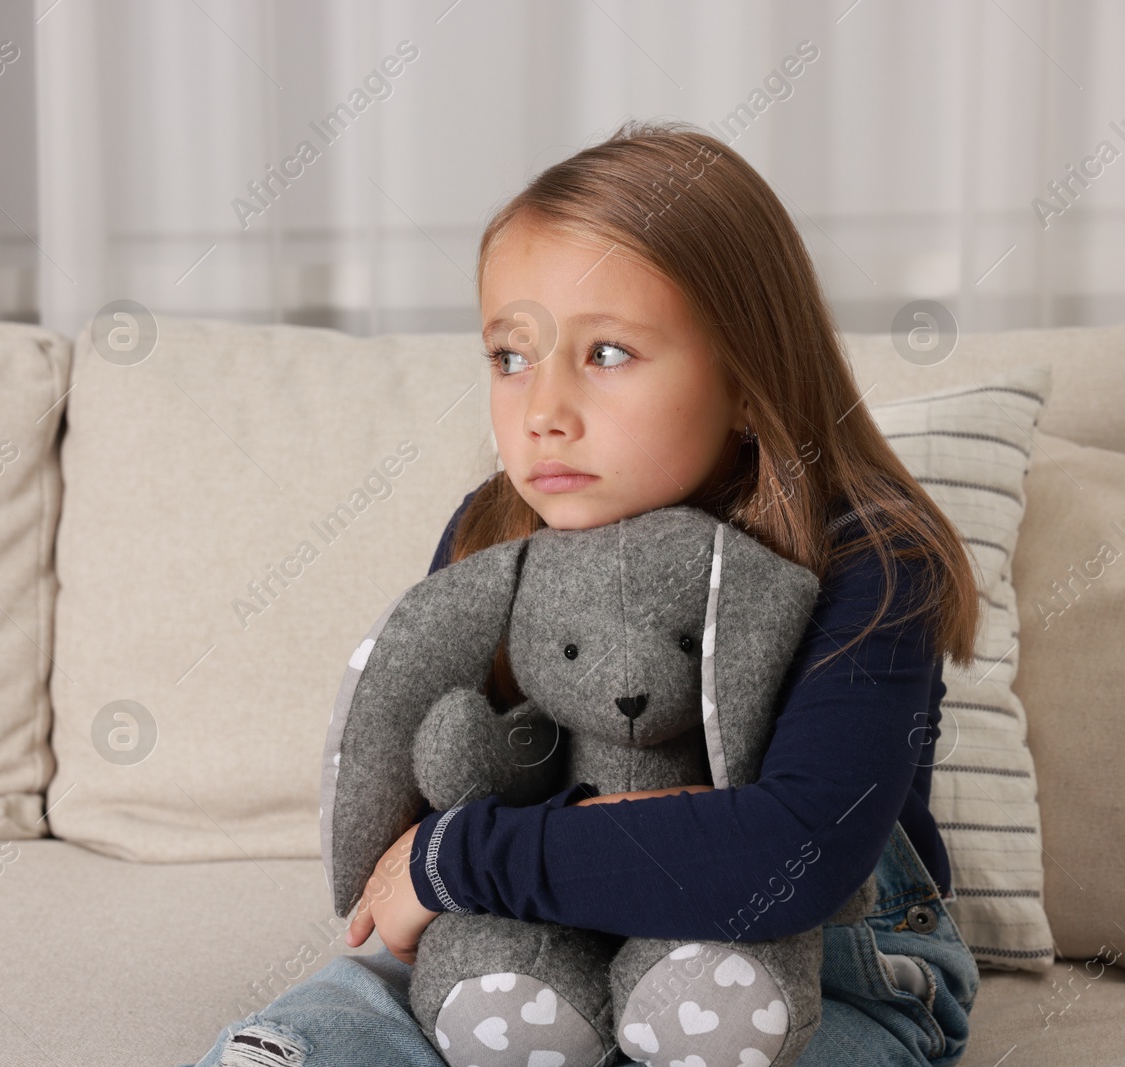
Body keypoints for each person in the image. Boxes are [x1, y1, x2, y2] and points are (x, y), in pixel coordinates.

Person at [183, 118, 980, 1067]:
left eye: (607, 354)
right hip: (520, 937)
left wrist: (467, 854)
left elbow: (791, 853)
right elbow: (408, 845)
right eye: (510, 356)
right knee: (326, 1027)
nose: (543, 413)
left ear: (746, 370)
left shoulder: (872, 557)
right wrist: (460, 857)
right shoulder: (494, 530)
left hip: (820, 958)